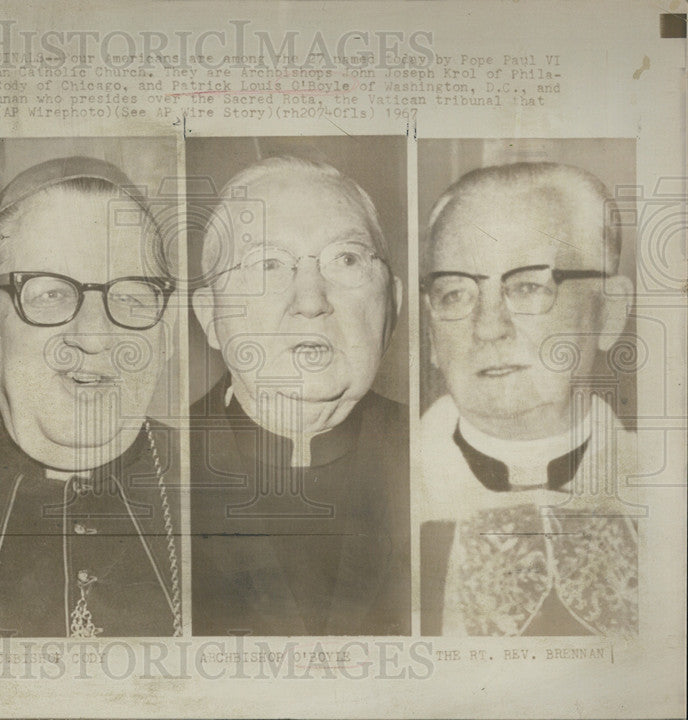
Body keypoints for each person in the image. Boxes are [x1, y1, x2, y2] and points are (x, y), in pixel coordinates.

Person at [0, 156, 181, 638]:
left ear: (165, 334)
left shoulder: (218, 484)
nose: (95, 337)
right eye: (51, 294)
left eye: (131, 296)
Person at [189, 156, 410, 636]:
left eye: (346, 259)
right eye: (268, 263)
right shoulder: (148, 469)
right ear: (210, 315)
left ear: (392, 303)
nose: (311, 301)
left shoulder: (442, 456)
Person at [418, 161, 638, 636]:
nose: (489, 327)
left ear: (610, 312)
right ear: (432, 331)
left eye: (528, 286)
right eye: (455, 294)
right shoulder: (384, 494)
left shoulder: (663, 491)